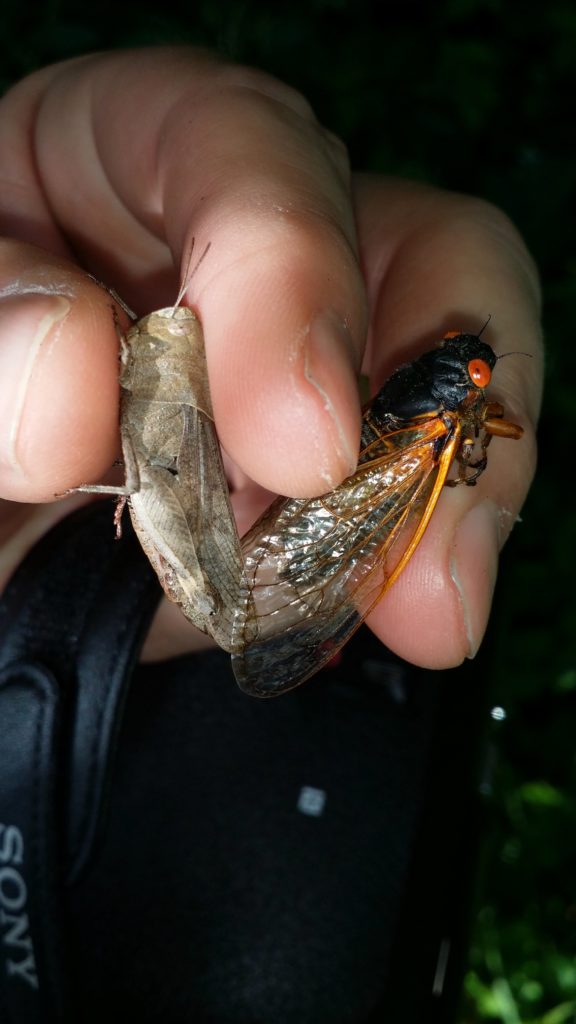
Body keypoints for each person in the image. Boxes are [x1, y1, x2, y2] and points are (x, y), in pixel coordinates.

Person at [0, 47, 543, 1022]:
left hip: (358, 475)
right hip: (372, 472)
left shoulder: (445, 413)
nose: (472, 367)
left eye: (467, 369)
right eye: (467, 370)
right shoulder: (447, 422)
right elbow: (452, 444)